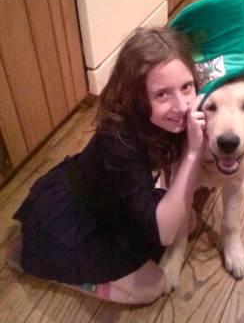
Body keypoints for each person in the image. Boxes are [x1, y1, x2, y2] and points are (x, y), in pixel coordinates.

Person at [8, 26, 205, 305]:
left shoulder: (173, 115)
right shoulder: (119, 140)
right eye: (162, 94)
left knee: (190, 220)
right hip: (79, 215)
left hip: (122, 201)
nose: (183, 106)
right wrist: (193, 155)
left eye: (186, 86)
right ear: (136, 97)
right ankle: (56, 266)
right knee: (150, 287)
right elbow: (165, 232)